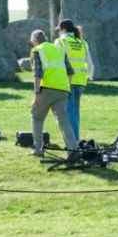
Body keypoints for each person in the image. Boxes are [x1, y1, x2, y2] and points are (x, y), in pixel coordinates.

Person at [29, 29, 79, 159]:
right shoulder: (59, 50)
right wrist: (66, 87)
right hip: (63, 90)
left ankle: (38, 150)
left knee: (36, 117)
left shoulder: (37, 50)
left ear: (35, 40)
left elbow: (37, 74)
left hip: (47, 88)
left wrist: (36, 94)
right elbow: (70, 72)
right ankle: (73, 150)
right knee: (63, 121)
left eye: (32, 41)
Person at [54, 19, 94, 140]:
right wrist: (89, 77)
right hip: (81, 81)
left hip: (67, 81)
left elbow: (58, 61)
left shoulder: (61, 42)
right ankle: (75, 138)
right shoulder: (82, 43)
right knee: (75, 112)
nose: (59, 32)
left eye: (59, 30)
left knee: (69, 113)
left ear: (63, 30)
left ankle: (74, 141)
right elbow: (90, 63)